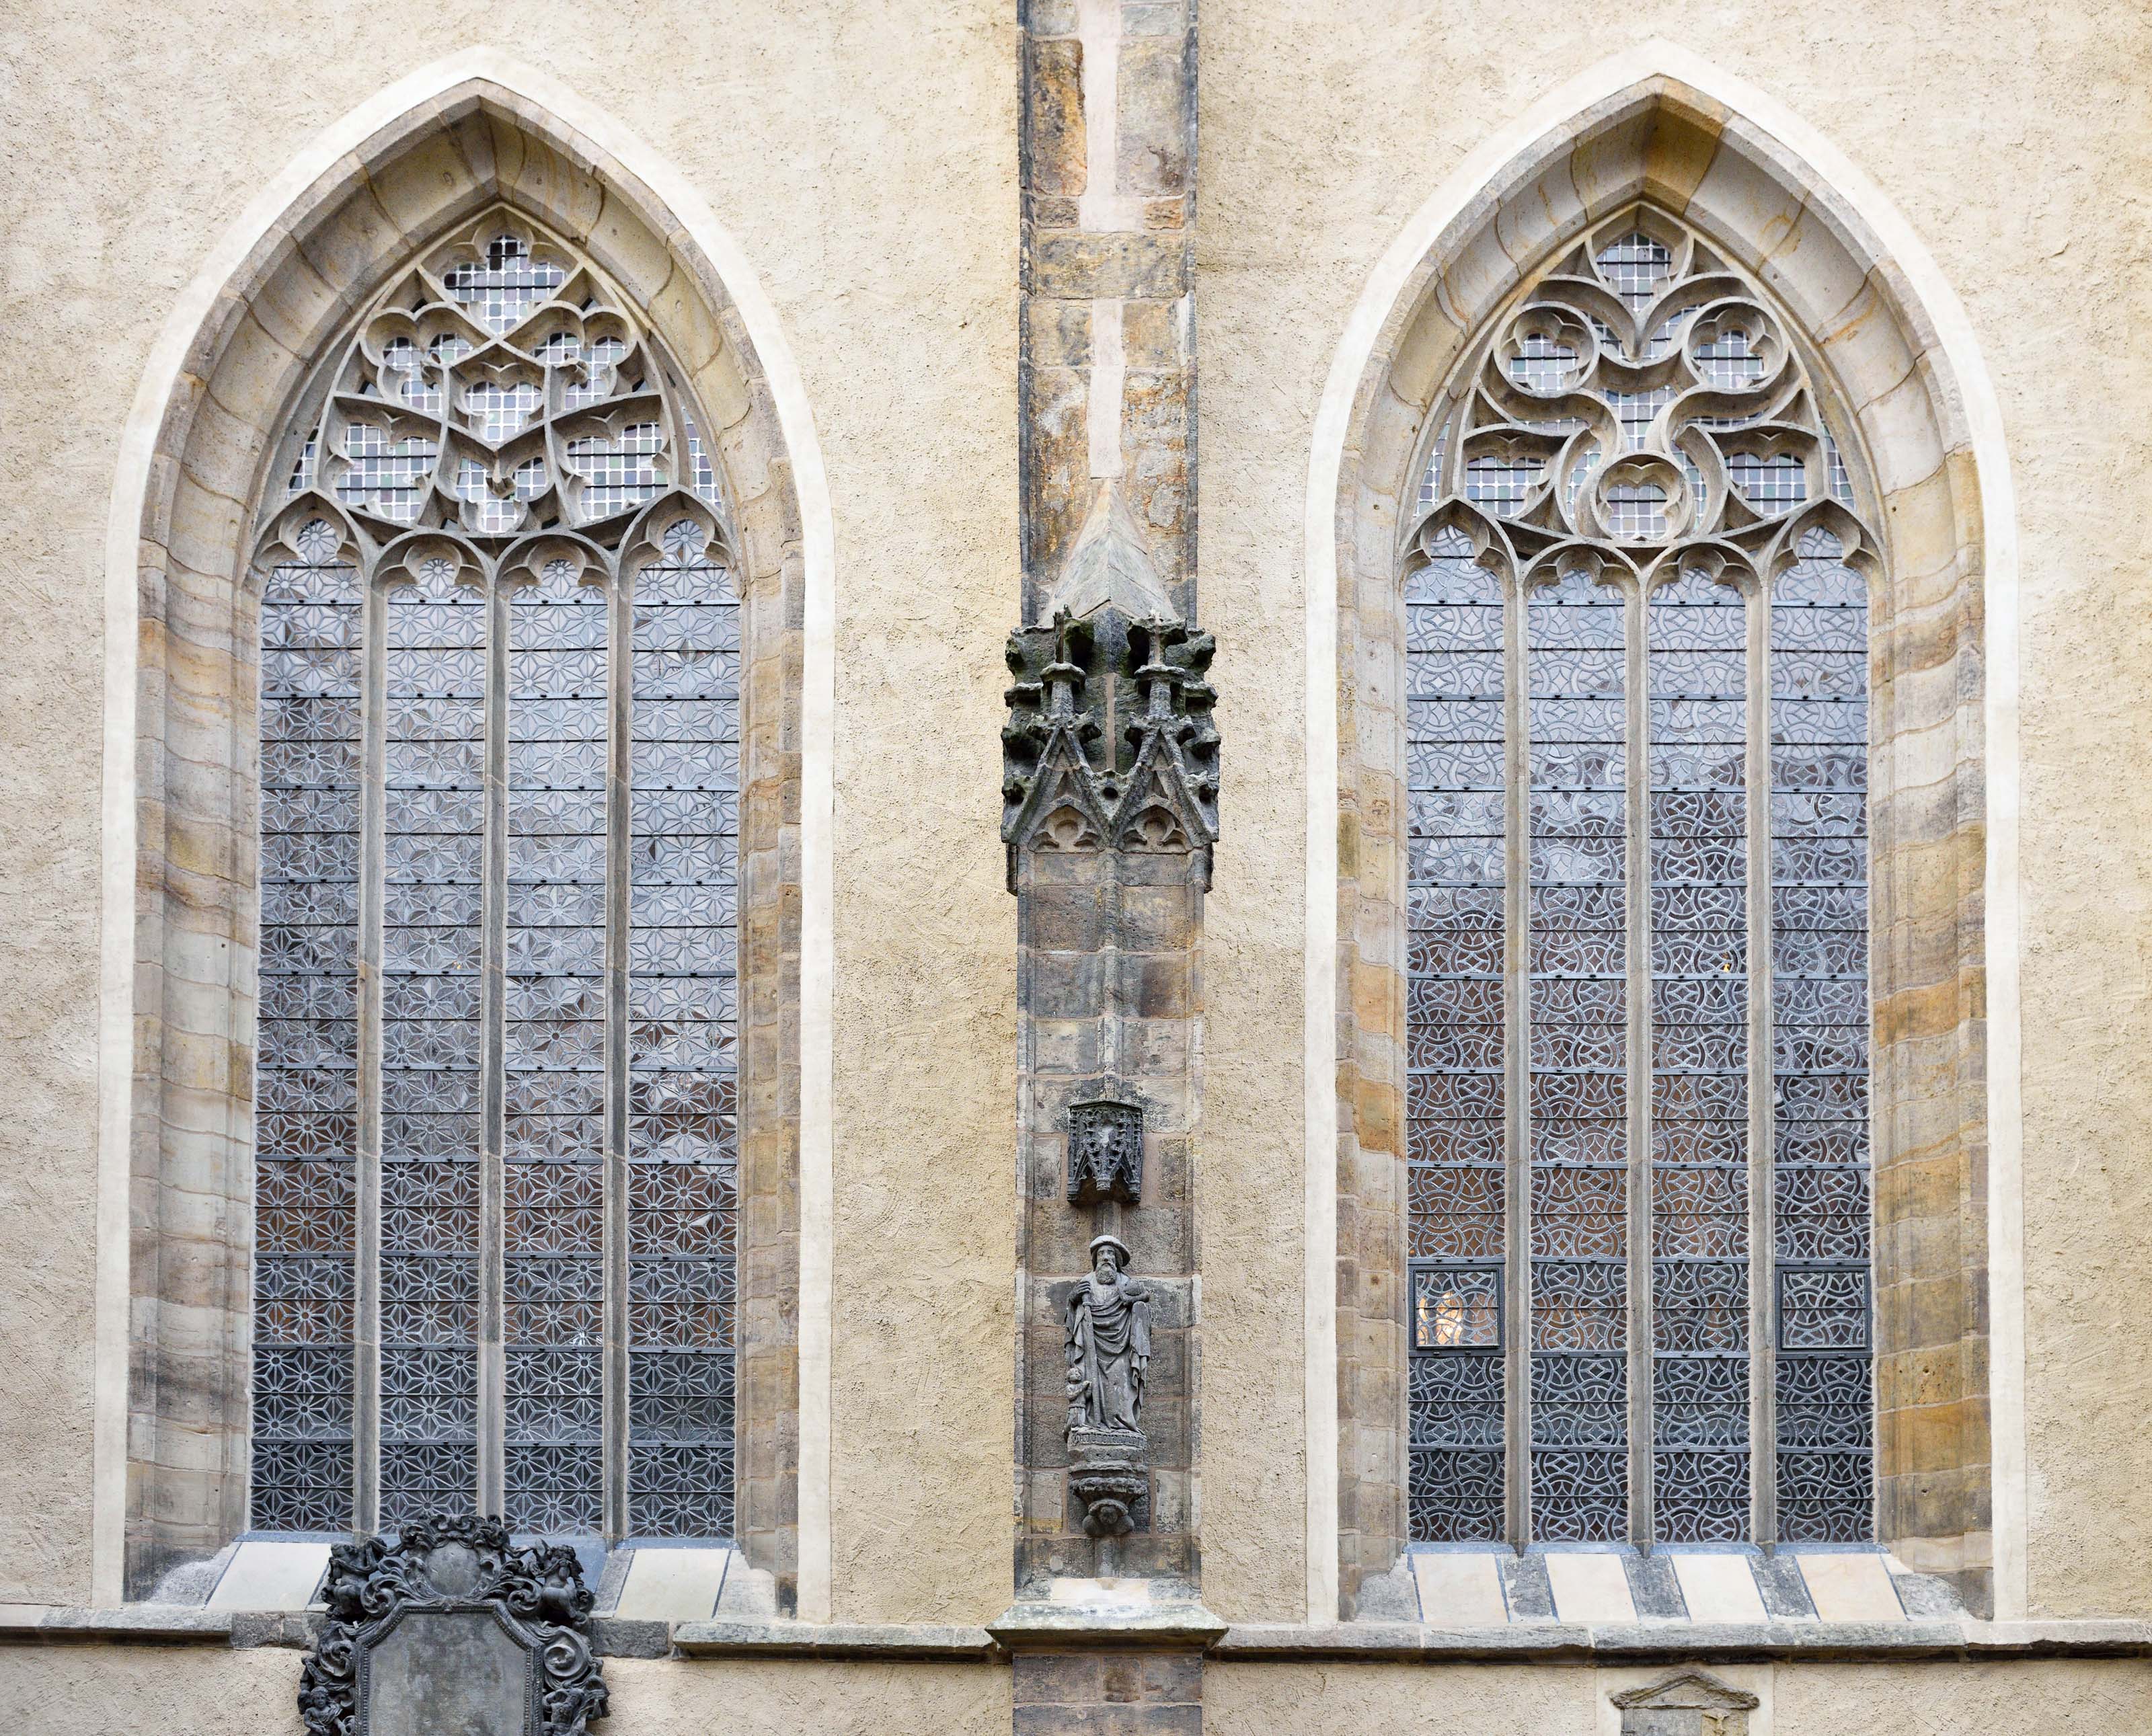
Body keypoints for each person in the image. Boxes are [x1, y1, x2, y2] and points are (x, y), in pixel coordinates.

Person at [1065, 1233, 1150, 1436]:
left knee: (1120, 1384)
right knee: (1089, 1385)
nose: (1106, 1257)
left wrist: (1132, 1303)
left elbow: (1144, 1298)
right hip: (1090, 1343)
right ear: (1096, 1259)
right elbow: (1071, 1313)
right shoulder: (1087, 1282)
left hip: (1121, 1347)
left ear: (1117, 1260)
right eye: (1101, 1253)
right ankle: (1092, 1425)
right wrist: (1073, 1298)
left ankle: (1122, 1426)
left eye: (1110, 1253)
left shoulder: (1125, 1282)